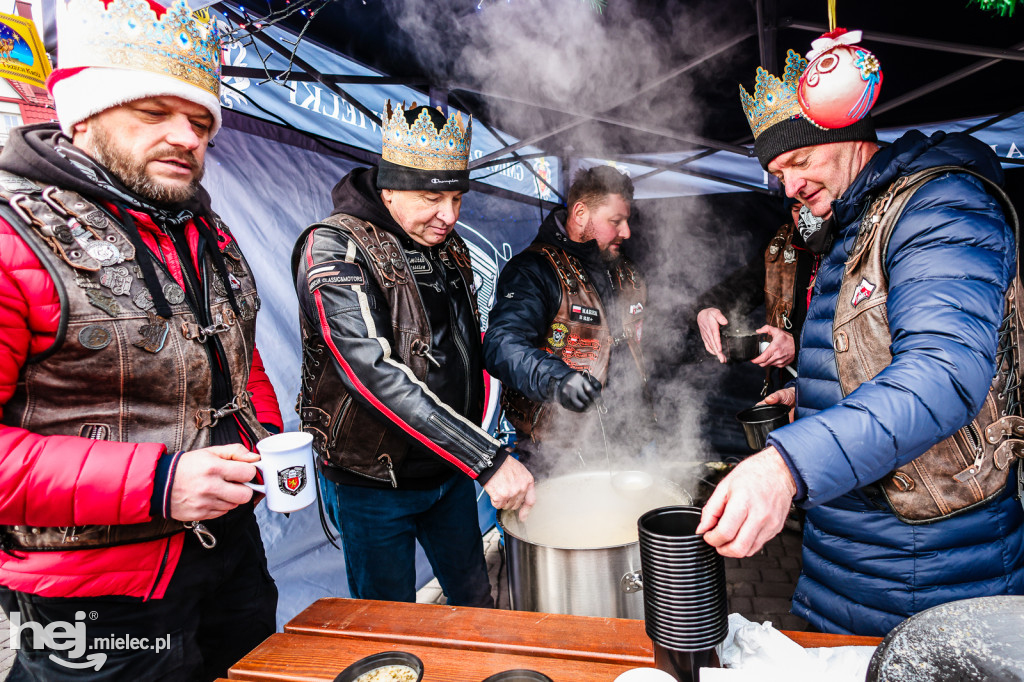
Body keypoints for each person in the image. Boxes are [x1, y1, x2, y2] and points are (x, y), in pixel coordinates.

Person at [0, 0, 284, 678]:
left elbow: (238, 364)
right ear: (88, 115)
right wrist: (158, 484)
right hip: (96, 602)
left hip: (231, 559)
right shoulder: (14, 237)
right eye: (154, 113)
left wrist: (263, 440)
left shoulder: (202, 230)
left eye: (201, 122)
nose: (187, 136)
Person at [697, 49, 1024, 636]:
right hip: (851, 548)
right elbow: (876, 353)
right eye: (778, 174)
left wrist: (787, 466)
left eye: (801, 159)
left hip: (931, 564)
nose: (791, 185)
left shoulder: (940, 204)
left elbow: (944, 375)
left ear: (854, 136)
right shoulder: (853, 222)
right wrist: (812, 399)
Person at [293, 100, 535, 607]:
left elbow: (467, 346)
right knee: (388, 624)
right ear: (389, 187)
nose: (448, 216)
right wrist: (486, 459)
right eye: (431, 197)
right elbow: (372, 372)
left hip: (446, 471)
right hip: (373, 483)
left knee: (475, 605)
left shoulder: (450, 248)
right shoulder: (334, 246)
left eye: (457, 199)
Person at [483, 165, 651, 462]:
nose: (626, 232)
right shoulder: (533, 270)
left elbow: (663, 331)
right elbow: (501, 344)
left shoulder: (627, 271)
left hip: (630, 445)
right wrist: (559, 380)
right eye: (616, 221)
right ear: (581, 213)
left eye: (627, 220)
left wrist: (702, 316)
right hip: (554, 455)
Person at [695, 198, 819, 388]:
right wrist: (707, 308)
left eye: (811, 206)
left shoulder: (853, 243)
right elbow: (742, 286)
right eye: (796, 208)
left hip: (847, 393)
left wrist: (799, 343)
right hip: (792, 386)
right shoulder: (782, 244)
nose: (806, 218)